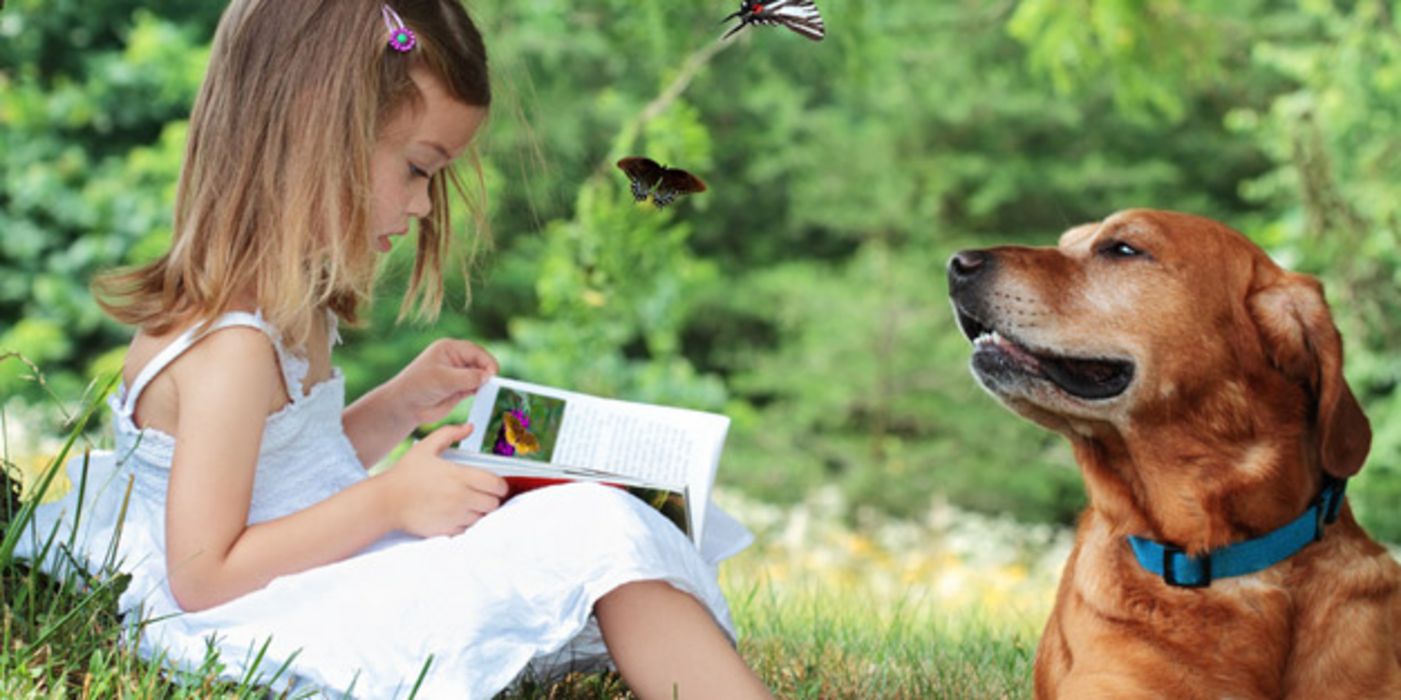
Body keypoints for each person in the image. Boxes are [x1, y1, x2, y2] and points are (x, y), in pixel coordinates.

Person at [27, 1, 773, 697]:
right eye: (417, 169)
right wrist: (390, 499)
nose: (421, 206)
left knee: (596, 515)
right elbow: (204, 575)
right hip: (250, 614)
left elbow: (285, 476)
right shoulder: (231, 349)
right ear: (311, 135)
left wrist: (398, 404)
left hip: (298, 578)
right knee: (594, 529)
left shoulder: (293, 309)